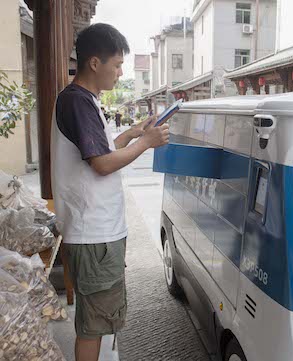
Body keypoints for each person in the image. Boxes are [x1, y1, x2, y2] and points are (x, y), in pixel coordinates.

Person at [50, 23, 169, 361]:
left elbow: (98, 151)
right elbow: (101, 164)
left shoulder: (84, 100)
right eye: (116, 65)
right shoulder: (77, 101)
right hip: (94, 233)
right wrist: (147, 142)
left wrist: (132, 134)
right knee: (94, 324)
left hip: (97, 232)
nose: (120, 73)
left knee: (100, 318)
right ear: (94, 63)